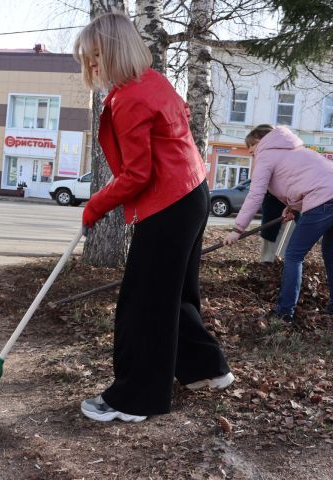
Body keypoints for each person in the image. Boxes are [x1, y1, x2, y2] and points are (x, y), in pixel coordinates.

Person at [74, 12, 233, 423]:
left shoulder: (130, 98)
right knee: (174, 295)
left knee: (143, 305)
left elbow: (137, 174)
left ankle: (135, 399)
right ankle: (207, 369)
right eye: (87, 59)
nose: (92, 66)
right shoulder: (155, 82)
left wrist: (95, 206)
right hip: (191, 194)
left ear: (116, 50)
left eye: (97, 56)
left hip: (169, 205)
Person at [223, 125, 333, 323]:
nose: (251, 152)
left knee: (294, 255)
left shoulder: (266, 154)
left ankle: (285, 311)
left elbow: (255, 194)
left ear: (261, 141)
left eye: (251, 146)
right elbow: (305, 180)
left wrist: (238, 228)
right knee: (332, 255)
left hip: (326, 198)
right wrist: (294, 207)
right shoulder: (296, 149)